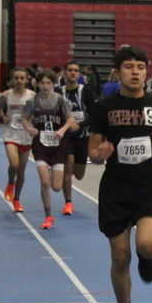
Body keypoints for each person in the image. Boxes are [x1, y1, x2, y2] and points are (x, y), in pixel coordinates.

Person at [89, 46, 152, 303]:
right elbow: (93, 150)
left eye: (140, 67)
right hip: (115, 188)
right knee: (119, 257)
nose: (135, 72)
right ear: (118, 73)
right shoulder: (104, 107)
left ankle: (147, 257)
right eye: (129, 67)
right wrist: (100, 154)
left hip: (148, 186)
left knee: (148, 245)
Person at [23, 70, 77, 230]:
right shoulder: (32, 102)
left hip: (58, 146)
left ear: (53, 84)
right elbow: (24, 117)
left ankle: (52, 173)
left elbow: (71, 118)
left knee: (56, 187)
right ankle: (48, 216)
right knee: (45, 182)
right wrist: (29, 128)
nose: (45, 86)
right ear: (37, 84)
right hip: (40, 145)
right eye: (42, 83)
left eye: (48, 83)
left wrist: (63, 130)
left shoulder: (61, 100)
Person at [56, 60, 96, 216]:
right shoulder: (58, 92)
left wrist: (80, 124)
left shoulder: (86, 92)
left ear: (79, 74)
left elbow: (94, 116)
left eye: (75, 70)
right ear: (65, 72)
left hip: (82, 136)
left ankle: (65, 176)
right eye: (70, 70)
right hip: (65, 137)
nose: (73, 73)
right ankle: (68, 203)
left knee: (79, 174)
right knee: (68, 164)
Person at [0, 68, 35, 212]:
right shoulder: (6, 95)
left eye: (22, 78)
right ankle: (10, 182)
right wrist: (3, 117)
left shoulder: (32, 96)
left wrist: (33, 118)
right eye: (16, 78)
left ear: (27, 80)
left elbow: (37, 112)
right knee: (14, 164)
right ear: (12, 79)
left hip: (26, 136)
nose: (19, 81)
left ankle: (17, 200)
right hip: (11, 134)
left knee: (21, 171)